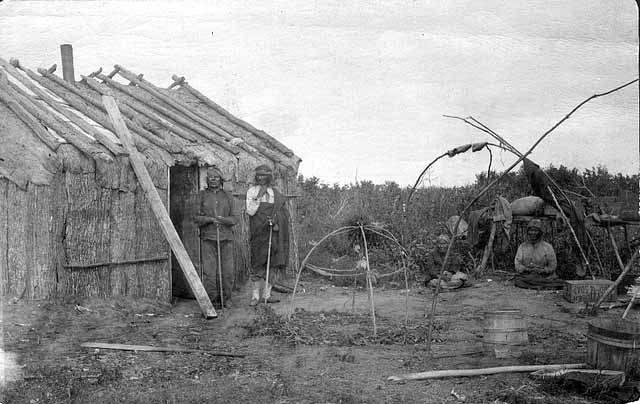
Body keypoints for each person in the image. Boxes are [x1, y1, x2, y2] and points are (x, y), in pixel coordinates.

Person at [194, 167, 239, 307]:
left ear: (221, 180)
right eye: (211, 177)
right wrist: (210, 220)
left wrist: (222, 220)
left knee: (227, 271)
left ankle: (227, 298)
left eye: (216, 177)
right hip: (208, 238)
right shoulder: (201, 195)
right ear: (207, 180)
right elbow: (196, 217)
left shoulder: (228, 196)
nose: (213, 180)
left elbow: (235, 218)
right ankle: (212, 299)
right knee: (209, 271)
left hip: (226, 238)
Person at [246, 164, 290, 306]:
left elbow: (283, 213)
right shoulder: (252, 191)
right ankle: (255, 296)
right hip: (259, 232)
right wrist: (259, 196)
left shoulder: (275, 193)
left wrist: (276, 220)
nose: (261, 178)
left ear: (269, 177)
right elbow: (250, 212)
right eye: (259, 175)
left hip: (274, 232)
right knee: (258, 262)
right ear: (256, 176)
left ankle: (267, 295)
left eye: (265, 175)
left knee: (272, 263)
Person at [514, 219, 563, 289]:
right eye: (531, 230)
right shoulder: (522, 247)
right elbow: (517, 264)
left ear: (540, 232)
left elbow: (553, 265)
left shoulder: (547, 247)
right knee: (519, 281)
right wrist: (526, 269)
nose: (533, 233)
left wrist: (542, 270)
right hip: (527, 276)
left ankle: (538, 285)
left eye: (535, 230)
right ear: (528, 232)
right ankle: (537, 285)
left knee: (556, 282)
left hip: (544, 277)